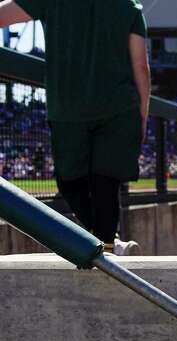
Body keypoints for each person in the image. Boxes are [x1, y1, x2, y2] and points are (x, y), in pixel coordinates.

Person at [0, 0, 150, 255]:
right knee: (106, 183)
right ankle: (111, 246)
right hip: (119, 106)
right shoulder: (129, 5)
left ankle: (108, 246)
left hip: (68, 107)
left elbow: (3, 15)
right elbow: (141, 68)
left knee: (70, 183)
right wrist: (143, 116)